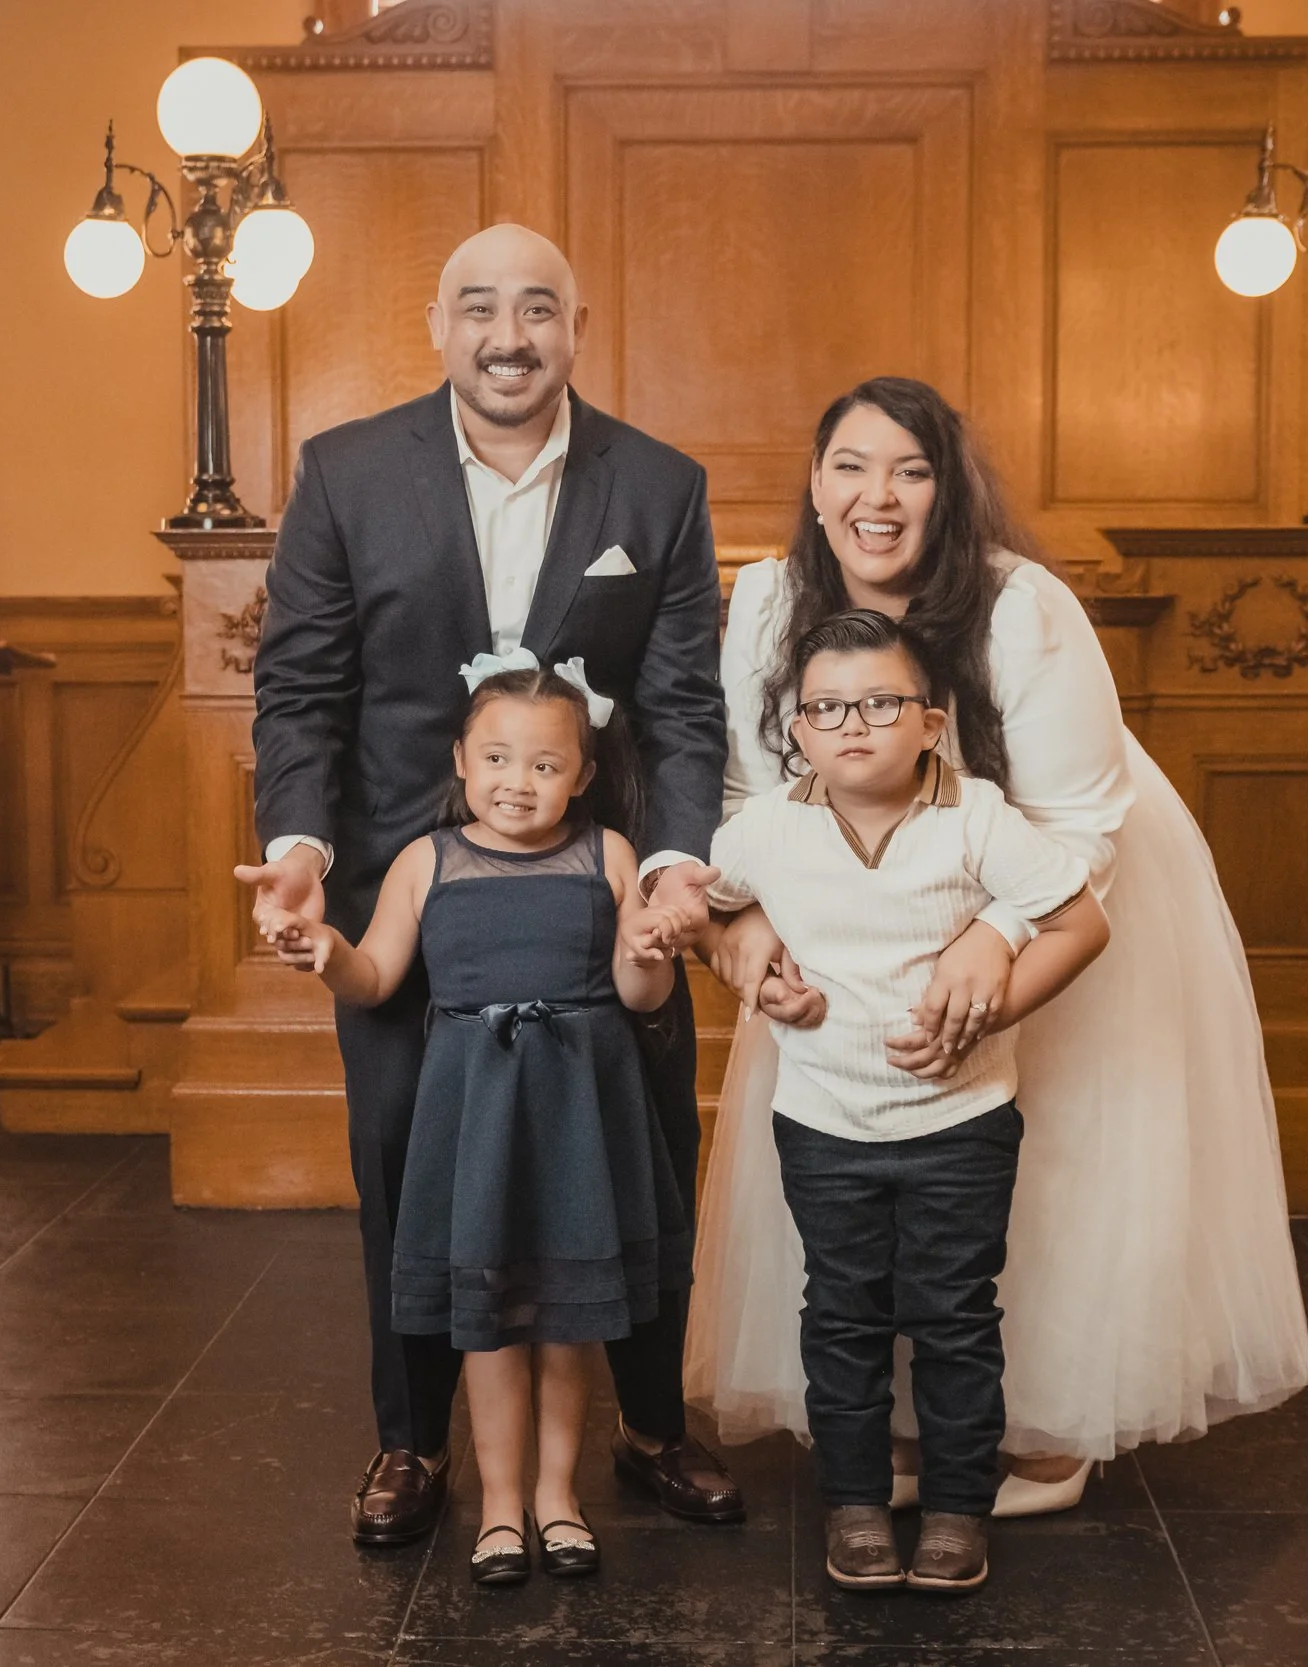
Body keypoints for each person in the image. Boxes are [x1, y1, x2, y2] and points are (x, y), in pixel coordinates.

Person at [686, 377, 1308, 1515]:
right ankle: (905, 1426)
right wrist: (748, 922)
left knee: (1038, 1158)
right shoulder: (768, 600)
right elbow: (743, 791)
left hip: (1048, 878)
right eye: (850, 467)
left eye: (911, 471)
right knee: (864, 1171)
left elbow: (1077, 821)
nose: (878, 496)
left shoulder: (1020, 604)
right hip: (854, 906)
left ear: (947, 491)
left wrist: (991, 938)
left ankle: (1046, 1426)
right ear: (814, 487)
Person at [241, 222, 744, 1548]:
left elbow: (687, 706)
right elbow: (299, 689)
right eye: (479, 307)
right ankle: (411, 1442)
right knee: (409, 1165)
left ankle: (648, 1426)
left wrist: (676, 871)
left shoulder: (661, 486)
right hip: (413, 887)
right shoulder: (345, 474)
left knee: (638, 1159)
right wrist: (301, 848)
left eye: (535, 309)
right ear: (437, 324)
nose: (507, 335)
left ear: (577, 326)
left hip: (602, 896)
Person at [654, 608, 1108, 1592]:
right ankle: (854, 1502)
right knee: (843, 1317)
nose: (852, 722)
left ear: (930, 723)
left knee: (953, 1316)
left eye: (879, 702)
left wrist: (989, 1012)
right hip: (823, 1125)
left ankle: (954, 1507)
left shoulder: (974, 815)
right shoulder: (769, 825)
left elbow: (1078, 924)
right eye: (826, 706)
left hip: (961, 1122)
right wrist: (750, 966)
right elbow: (708, 908)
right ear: (799, 729)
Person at [265, 661, 691, 1584]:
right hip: (478, 1110)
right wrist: (327, 949)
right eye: (496, 757)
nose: (517, 780)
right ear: (460, 759)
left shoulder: (609, 854)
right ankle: (500, 1504)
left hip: (579, 1106)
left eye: (545, 764)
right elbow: (375, 976)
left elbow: (636, 988)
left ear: (582, 773)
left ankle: (558, 1496)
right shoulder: (427, 860)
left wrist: (650, 949)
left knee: (568, 1318)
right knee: (489, 1320)